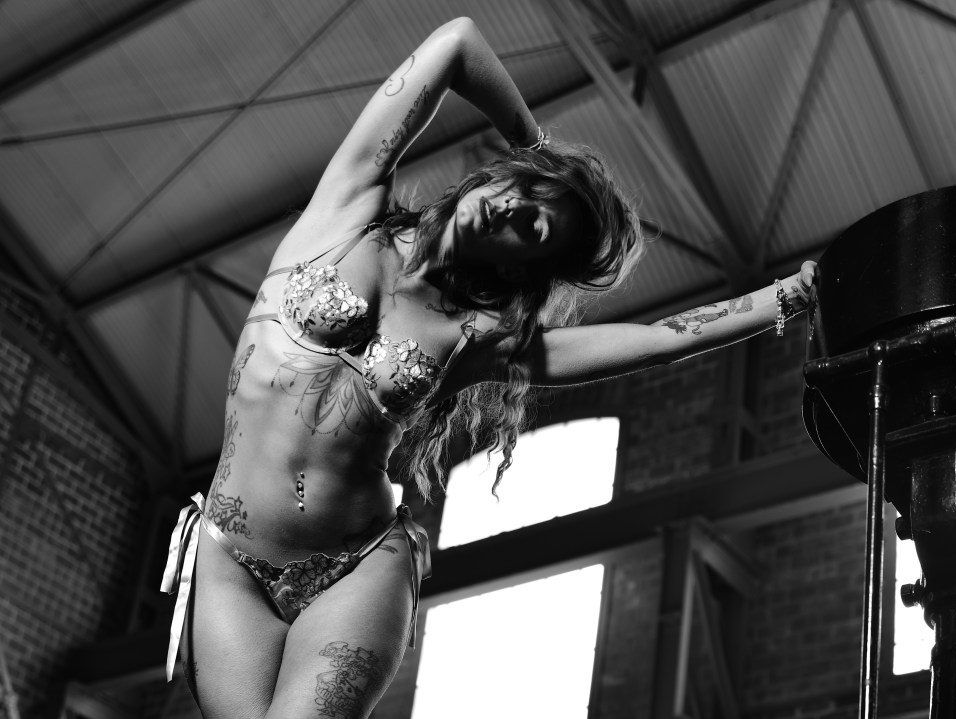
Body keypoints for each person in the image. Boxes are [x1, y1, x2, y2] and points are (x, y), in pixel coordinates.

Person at [160, 16, 816, 719]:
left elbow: (656, 340)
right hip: (230, 554)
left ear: (524, 268)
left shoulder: (479, 340)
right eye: (520, 188)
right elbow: (458, 42)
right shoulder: (347, 207)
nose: (511, 206)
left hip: (355, 567)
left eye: (532, 226)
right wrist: (538, 152)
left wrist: (786, 296)